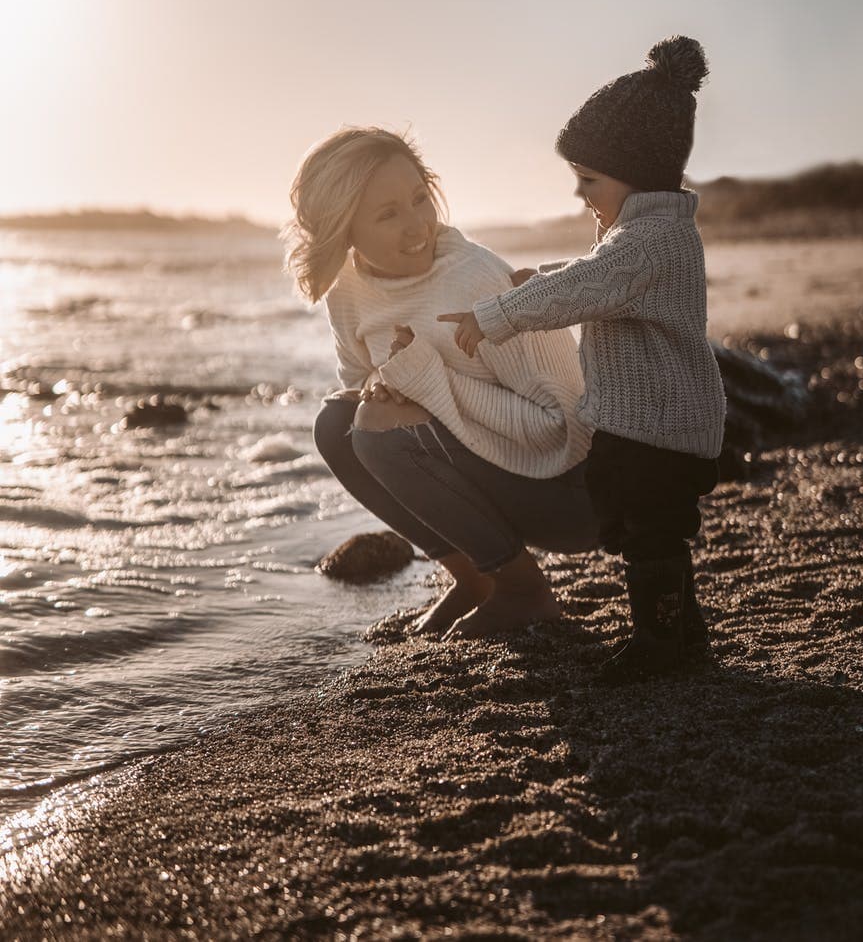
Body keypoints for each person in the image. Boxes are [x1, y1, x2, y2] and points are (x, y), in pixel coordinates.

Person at [439, 36, 726, 677]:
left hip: (659, 429)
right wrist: (537, 276)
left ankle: (660, 646)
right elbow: (593, 275)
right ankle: (683, 637)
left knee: (650, 535)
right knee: (643, 532)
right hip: (649, 423)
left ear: (638, 171)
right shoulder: (644, 233)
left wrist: (496, 317)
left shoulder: (651, 238)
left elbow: (590, 285)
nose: (581, 196)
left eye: (589, 180)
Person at [283, 126, 597, 639]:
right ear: (344, 229)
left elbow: (566, 428)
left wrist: (427, 383)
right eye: (388, 214)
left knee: (376, 429)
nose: (416, 227)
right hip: (494, 473)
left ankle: (525, 592)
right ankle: (477, 580)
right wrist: (386, 390)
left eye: (419, 199)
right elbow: (362, 389)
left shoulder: (475, 282)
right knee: (336, 424)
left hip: (572, 492)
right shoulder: (349, 293)